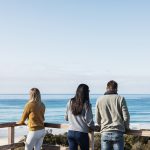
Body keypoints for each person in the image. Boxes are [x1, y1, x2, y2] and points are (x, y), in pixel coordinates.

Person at [96, 80, 130, 150]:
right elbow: (126, 116)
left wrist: (100, 126)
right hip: (118, 131)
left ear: (106, 88)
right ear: (116, 89)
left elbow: (97, 117)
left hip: (105, 131)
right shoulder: (120, 98)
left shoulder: (99, 99)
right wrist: (126, 127)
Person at [65, 84, 94, 150]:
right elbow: (89, 121)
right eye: (88, 91)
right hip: (82, 133)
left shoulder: (70, 101)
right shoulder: (87, 104)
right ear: (86, 92)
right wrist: (93, 127)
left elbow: (66, 118)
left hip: (71, 132)